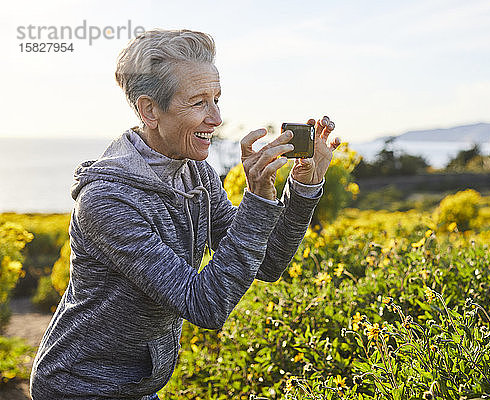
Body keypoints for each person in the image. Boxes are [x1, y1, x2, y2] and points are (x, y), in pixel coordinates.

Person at [30, 29, 339, 399]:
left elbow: (267, 263)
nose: (216, 117)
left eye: (217, 99)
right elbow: (205, 304)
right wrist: (256, 199)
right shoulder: (105, 200)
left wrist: (304, 188)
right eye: (198, 103)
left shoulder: (195, 172)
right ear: (149, 110)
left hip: (139, 386)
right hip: (79, 386)